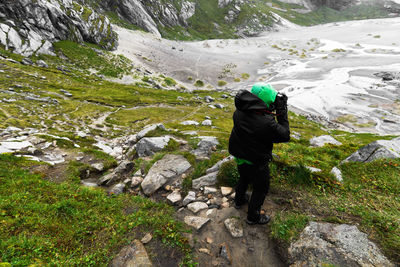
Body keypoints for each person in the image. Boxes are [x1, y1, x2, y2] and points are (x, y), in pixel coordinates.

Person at [228, 83, 290, 225]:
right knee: (261, 188)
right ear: (265, 101)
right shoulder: (265, 122)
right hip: (256, 160)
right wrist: (282, 112)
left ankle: (239, 201)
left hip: (240, 154)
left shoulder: (240, 110)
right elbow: (285, 135)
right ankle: (253, 217)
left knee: (243, 177)